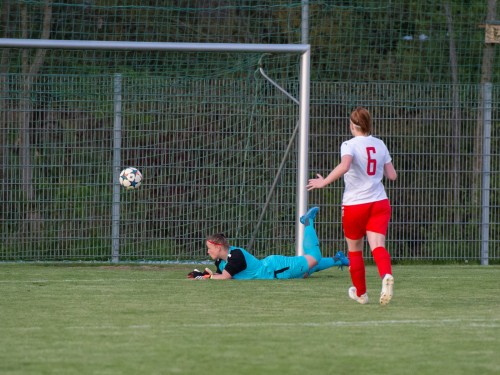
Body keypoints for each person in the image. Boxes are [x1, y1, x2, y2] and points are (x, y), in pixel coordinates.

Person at [306, 107, 397, 305]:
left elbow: (345, 165)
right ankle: (386, 275)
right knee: (378, 246)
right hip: (379, 202)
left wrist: (324, 182)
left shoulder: (349, 144)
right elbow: (392, 175)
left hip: (356, 204)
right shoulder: (380, 144)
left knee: (355, 250)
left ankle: (362, 294)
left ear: (352, 125)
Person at [187, 207, 349, 280]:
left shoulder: (235, 256)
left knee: (314, 257)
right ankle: (338, 259)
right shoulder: (220, 261)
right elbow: (218, 274)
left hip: (276, 268)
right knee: (309, 269)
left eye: (209, 248)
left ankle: (307, 222)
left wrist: (204, 276)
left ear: (218, 246)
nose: (208, 252)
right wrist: (202, 274)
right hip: (278, 273)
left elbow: (225, 277)